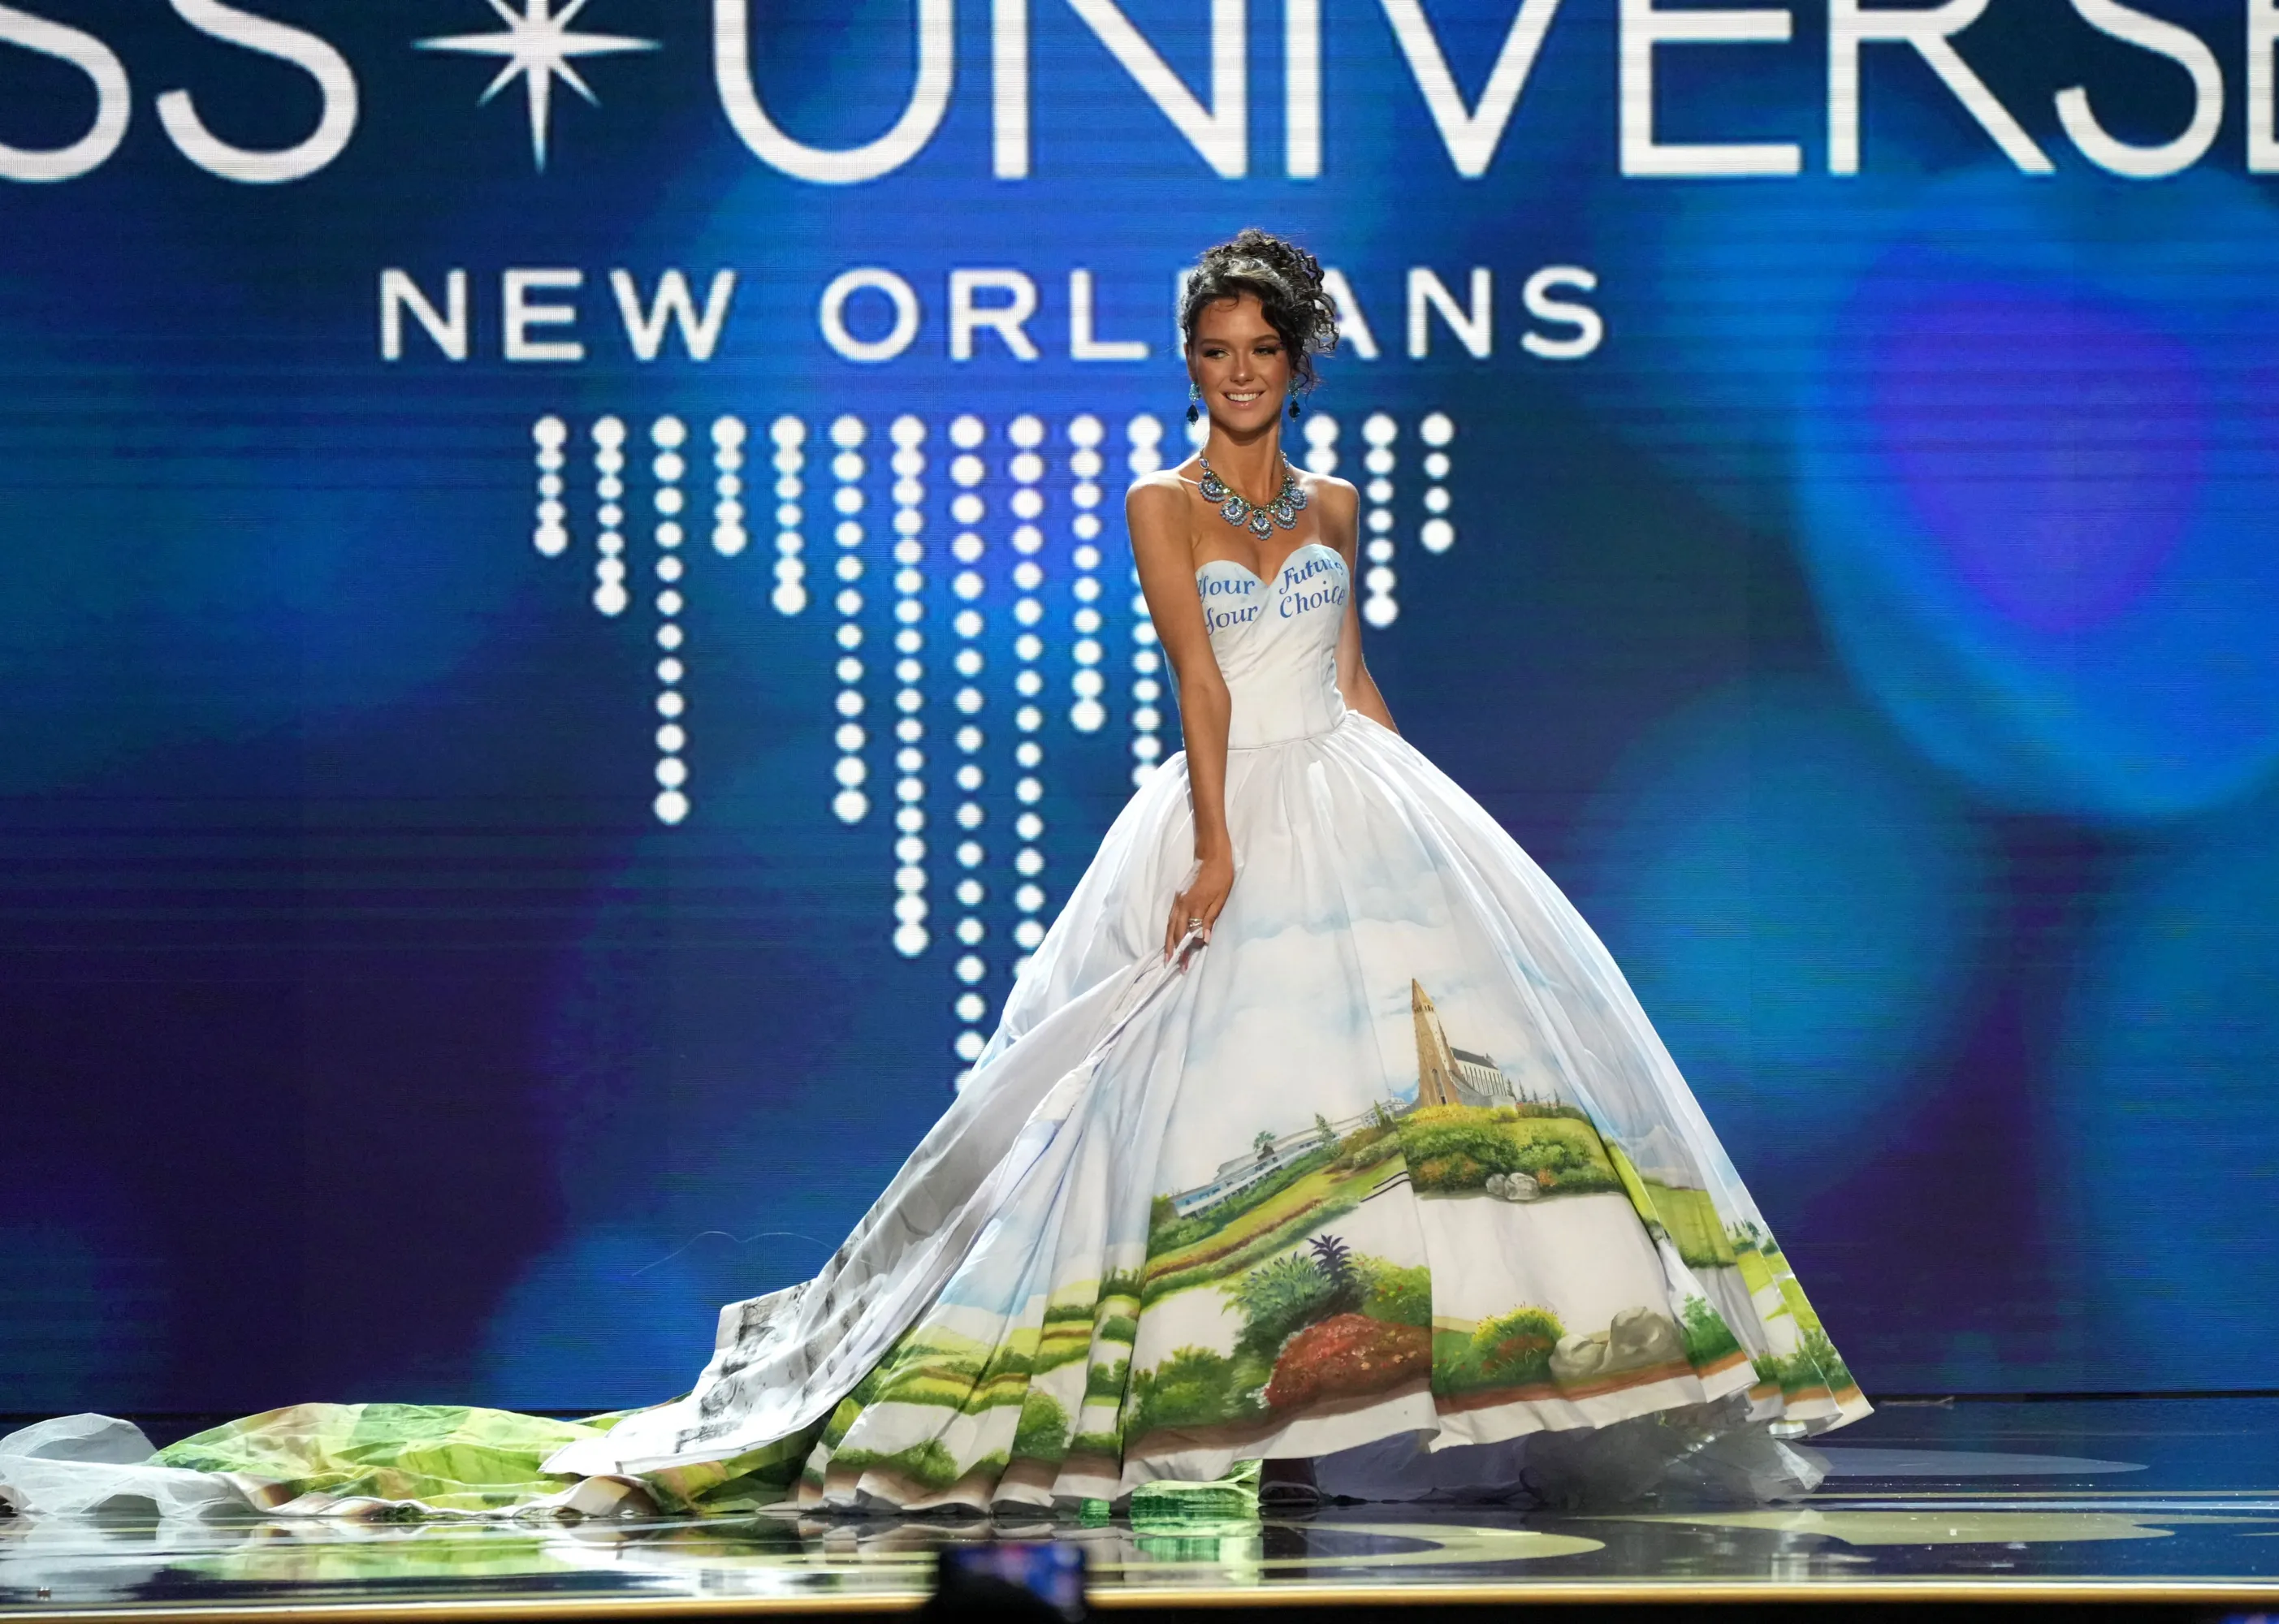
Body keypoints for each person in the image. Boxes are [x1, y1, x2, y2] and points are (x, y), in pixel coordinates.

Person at [0, 230, 1864, 1523]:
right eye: (1211, 357)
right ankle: (1232, 1406)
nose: (1233, 380)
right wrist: (1216, 847)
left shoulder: (1336, 507)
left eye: (1257, 356)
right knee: (1195, 1112)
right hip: (1236, 808)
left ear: (1297, 363)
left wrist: (1411, 789)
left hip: (1366, 789)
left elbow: (1345, 666)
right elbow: (1202, 689)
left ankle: (1409, 1394)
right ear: (1196, 368)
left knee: (1425, 1106)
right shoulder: (1160, 503)